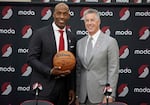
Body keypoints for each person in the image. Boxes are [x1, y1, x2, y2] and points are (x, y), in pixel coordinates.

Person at [27, 2, 76, 105]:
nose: (61, 17)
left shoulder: (72, 37)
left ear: (69, 15)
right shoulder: (40, 34)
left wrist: (71, 88)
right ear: (53, 14)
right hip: (44, 87)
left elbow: (72, 65)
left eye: (65, 13)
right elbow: (31, 58)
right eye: (59, 13)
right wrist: (49, 71)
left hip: (64, 90)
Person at [76, 8, 119, 105]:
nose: (89, 23)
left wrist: (110, 95)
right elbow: (79, 71)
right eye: (87, 20)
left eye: (92, 20)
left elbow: (113, 69)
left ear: (99, 22)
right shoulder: (80, 43)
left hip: (101, 94)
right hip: (83, 96)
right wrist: (78, 94)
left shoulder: (110, 42)